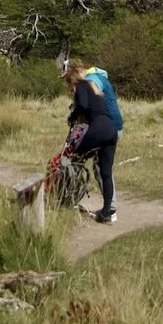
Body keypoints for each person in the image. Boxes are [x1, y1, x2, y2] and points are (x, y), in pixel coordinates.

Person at [60, 56, 121, 223]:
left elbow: (84, 106)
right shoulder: (91, 85)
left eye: (67, 79)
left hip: (98, 128)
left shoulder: (81, 86)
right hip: (111, 129)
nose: (67, 84)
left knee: (73, 160)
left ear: (71, 75)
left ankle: (67, 200)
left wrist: (72, 115)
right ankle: (108, 213)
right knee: (105, 172)